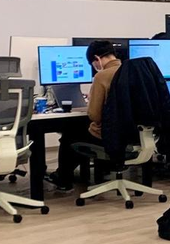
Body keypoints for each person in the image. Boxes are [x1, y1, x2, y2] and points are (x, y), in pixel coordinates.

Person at [47, 40, 121, 190]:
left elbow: (94, 115)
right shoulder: (132, 72)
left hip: (109, 136)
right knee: (80, 129)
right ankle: (90, 172)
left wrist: (93, 100)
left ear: (97, 59)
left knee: (71, 133)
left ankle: (63, 178)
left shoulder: (102, 76)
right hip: (133, 134)